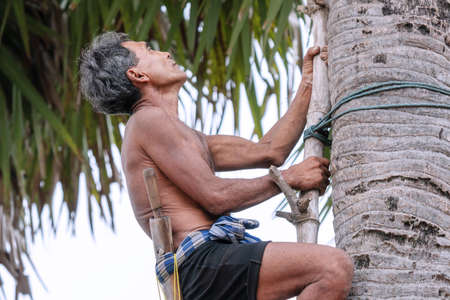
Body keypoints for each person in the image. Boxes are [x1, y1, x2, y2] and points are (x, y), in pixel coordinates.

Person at [79, 32, 353, 300]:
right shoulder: (147, 121)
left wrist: (308, 82)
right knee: (331, 268)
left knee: (327, 270)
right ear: (138, 76)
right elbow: (215, 197)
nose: (164, 53)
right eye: (149, 52)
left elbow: (271, 150)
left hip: (208, 267)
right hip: (200, 264)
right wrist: (289, 179)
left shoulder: (185, 136)